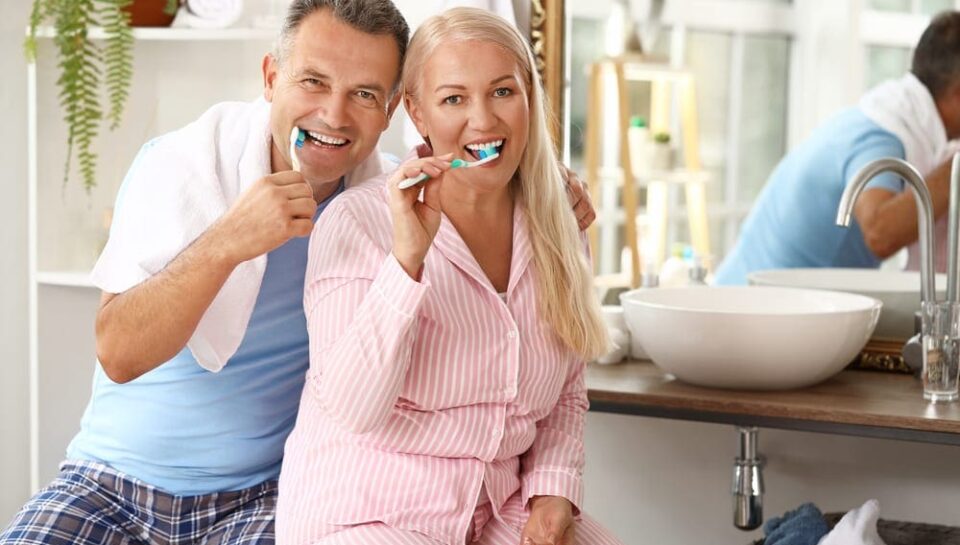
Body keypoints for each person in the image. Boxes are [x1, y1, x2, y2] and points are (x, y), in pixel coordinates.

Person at [0, 2, 596, 544]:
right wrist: (229, 241)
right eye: (313, 81)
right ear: (270, 78)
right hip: (111, 482)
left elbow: (472, 159)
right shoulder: (180, 166)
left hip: (264, 496)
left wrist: (549, 191)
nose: (333, 114)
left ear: (393, 111)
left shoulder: (381, 205)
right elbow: (118, 353)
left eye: (364, 94)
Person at [276, 8, 623, 545]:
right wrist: (406, 263)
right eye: (454, 99)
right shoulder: (359, 221)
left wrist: (555, 490)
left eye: (503, 92)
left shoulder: (561, 224)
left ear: (529, 95)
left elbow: (565, 393)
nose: (483, 121)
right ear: (416, 113)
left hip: (496, 512)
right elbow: (353, 409)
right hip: (368, 517)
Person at [715, 11, 960, 285]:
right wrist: (956, 169)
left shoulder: (885, 114)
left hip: (771, 303)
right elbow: (880, 233)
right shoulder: (881, 136)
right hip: (752, 307)